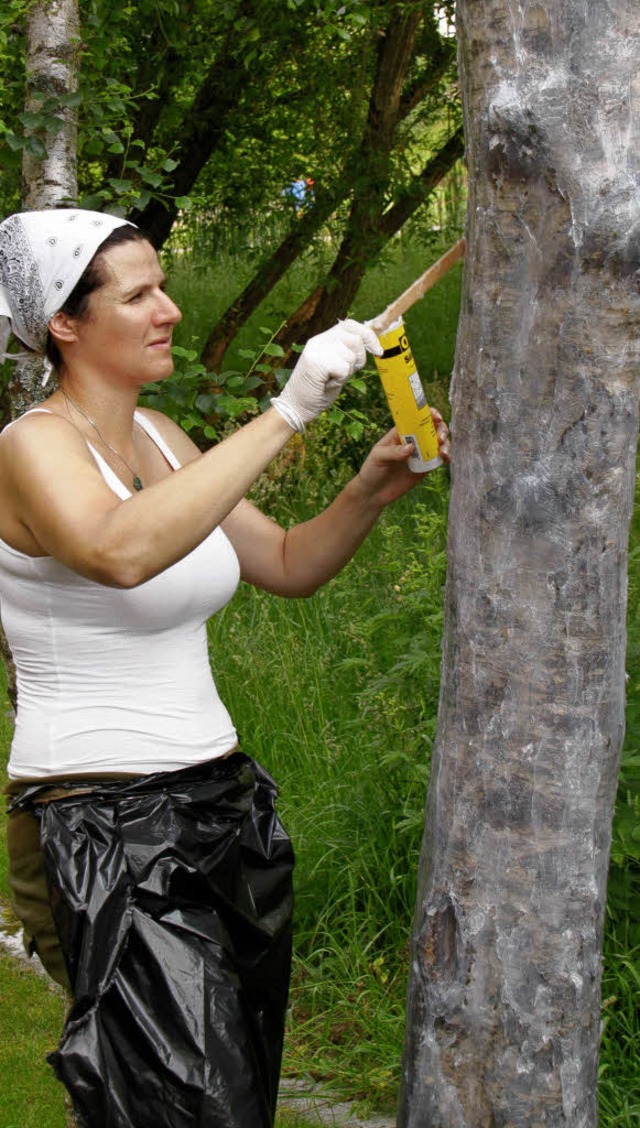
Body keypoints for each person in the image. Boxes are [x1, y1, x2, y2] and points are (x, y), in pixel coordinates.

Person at [0, 208, 450, 1128]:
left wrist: (364, 491)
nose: (168, 307)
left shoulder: (164, 438)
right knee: (194, 1106)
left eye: (163, 284)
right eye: (138, 294)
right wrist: (288, 412)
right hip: (101, 820)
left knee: (221, 1093)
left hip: (220, 805)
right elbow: (117, 551)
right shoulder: (30, 447)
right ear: (66, 325)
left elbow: (283, 564)